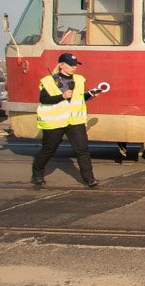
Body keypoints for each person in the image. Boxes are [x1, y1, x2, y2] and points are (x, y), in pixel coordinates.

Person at [31, 53, 103, 188]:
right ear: (61, 65)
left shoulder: (80, 80)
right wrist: (61, 96)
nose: (74, 67)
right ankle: (37, 173)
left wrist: (90, 94)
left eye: (75, 65)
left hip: (75, 121)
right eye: (71, 65)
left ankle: (89, 179)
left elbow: (79, 98)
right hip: (55, 122)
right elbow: (44, 99)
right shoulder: (49, 81)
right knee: (48, 149)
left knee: (82, 150)